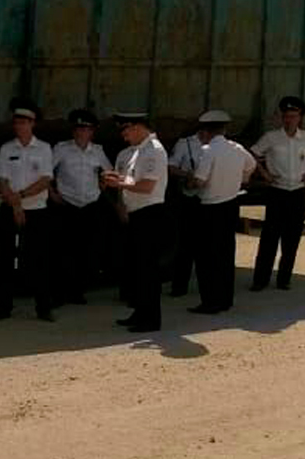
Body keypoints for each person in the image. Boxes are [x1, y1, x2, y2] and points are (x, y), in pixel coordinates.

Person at [249, 95, 305, 291]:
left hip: (297, 191)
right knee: (269, 238)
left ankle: (284, 279)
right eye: (286, 116)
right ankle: (260, 280)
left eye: (293, 116)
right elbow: (253, 154)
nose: (289, 119)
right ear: (281, 118)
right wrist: (264, 173)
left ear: (300, 117)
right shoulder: (272, 137)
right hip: (278, 191)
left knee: (291, 239)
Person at [104, 111, 168, 333]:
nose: (124, 136)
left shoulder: (154, 151)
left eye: (126, 130)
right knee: (138, 268)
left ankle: (151, 319)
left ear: (138, 127)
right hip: (137, 213)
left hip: (150, 214)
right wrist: (119, 180)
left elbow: (147, 186)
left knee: (148, 269)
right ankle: (140, 312)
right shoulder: (138, 152)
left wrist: (120, 185)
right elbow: (134, 180)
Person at [0, 103, 57, 322]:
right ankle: (3, 306)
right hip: (10, 210)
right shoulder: (6, 149)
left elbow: (45, 180)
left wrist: (19, 198)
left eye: (23, 123)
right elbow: (1, 179)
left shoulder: (44, 148)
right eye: (16, 123)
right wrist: (15, 205)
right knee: (6, 259)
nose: (19, 126)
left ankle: (43, 307)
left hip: (37, 210)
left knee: (39, 259)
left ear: (32, 124)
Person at [187, 110, 256, 315]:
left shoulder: (208, 151)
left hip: (210, 206)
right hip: (231, 204)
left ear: (206, 131)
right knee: (226, 254)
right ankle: (226, 299)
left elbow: (200, 180)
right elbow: (251, 165)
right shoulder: (237, 149)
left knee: (206, 257)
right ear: (224, 129)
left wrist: (189, 181)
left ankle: (210, 301)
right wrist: (241, 179)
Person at [51, 108, 112, 304]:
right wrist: (52, 194)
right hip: (67, 205)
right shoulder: (61, 149)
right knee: (64, 251)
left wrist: (104, 184)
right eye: (78, 128)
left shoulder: (98, 151)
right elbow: (45, 173)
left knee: (87, 251)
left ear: (92, 131)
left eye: (85, 129)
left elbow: (109, 173)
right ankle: (60, 291)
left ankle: (78, 290)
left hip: (90, 206)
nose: (81, 132)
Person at [166, 124, 209, 299]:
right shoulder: (186, 144)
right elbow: (171, 166)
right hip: (189, 197)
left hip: (207, 198)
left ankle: (204, 286)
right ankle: (179, 286)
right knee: (185, 245)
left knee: (205, 246)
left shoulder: (216, 146)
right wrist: (187, 175)